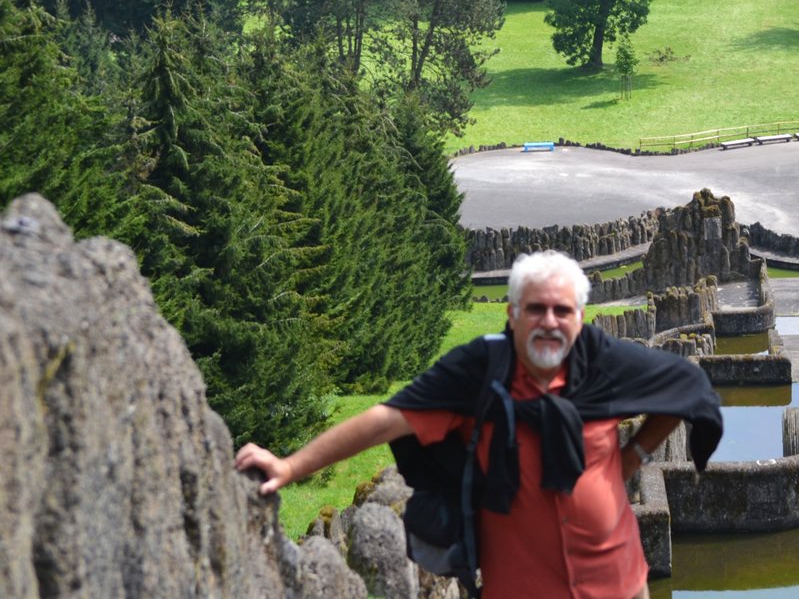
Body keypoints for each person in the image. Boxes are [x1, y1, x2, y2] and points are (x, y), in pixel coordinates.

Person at [235, 251, 723, 599]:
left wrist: (632, 457)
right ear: (512, 315)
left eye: (562, 310)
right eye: (535, 309)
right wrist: (291, 465)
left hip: (619, 581)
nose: (549, 322)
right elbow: (388, 418)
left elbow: (686, 386)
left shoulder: (603, 363)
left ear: (580, 317)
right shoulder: (478, 372)